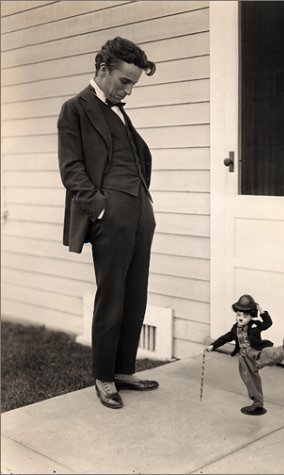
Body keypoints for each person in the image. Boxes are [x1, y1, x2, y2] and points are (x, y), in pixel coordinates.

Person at [57, 37, 159, 409]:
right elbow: (71, 170)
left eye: (132, 83)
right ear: (103, 70)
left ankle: (123, 371)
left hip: (139, 211)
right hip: (110, 214)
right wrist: (100, 209)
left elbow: (135, 156)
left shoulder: (118, 109)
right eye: (124, 82)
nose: (128, 91)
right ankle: (103, 376)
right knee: (112, 295)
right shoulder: (76, 109)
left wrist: (144, 204)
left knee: (136, 295)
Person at [206, 294, 284, 415]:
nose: (241, 318)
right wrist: (213, 345)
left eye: (245, 316)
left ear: (251, 316)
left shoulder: (255, 325)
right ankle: (257, 403)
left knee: (269, 353)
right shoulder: (234, 328)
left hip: (256, 352)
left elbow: (268, 323)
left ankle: (283, 350)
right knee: (250, 380)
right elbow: (225, 338)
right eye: (238, 315)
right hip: (245, 359)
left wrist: (262, 311)